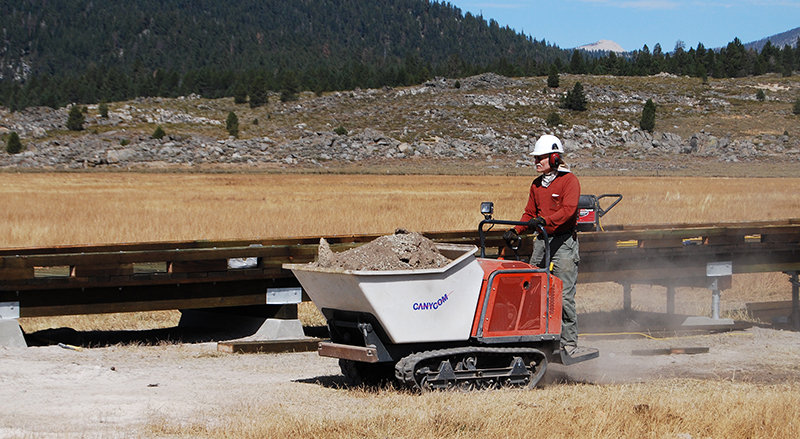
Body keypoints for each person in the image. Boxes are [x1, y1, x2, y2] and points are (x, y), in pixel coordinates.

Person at [502, 134, 594, 361]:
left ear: (554, 158)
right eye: (536, 158)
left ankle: (569, 342)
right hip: (542, 241)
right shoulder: (536, 185)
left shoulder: (569, 181)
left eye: (540, 158)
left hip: (563, 242)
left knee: (562, 294)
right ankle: (537, 336)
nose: (536, 162)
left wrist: (545, 221)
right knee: (533, 287)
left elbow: (569, 211)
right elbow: (529, 213)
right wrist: (516, 230)